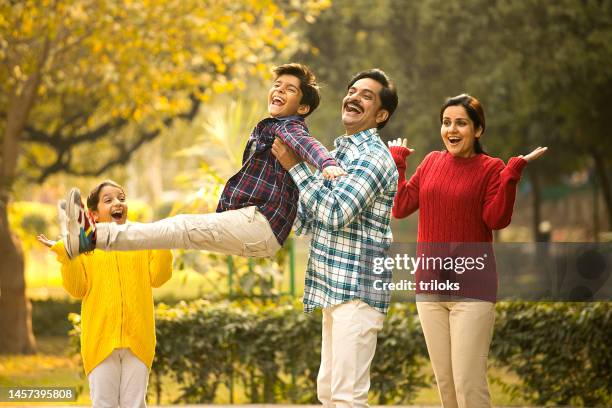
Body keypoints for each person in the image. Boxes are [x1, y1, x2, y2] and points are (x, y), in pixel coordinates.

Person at [61, 63, 346, 259]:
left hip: (261, 226)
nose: (279, 91)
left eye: (290, 89)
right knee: (183, 231)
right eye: (277, 85)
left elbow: (308, 145)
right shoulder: (271, 127)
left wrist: (327, 163)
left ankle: (92, 237)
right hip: (256, 227)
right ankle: (89, 237)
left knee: (182, 227)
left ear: (303, 107)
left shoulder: (289, 128)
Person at [388, 94, 547, 408]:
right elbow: (401, 206)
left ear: (477, 130)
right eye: (446, 122)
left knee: (468, 386)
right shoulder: (432, 161)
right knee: (446, 386)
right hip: (430, 288)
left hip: (472, 290)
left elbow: (496, 219)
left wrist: (512, 175)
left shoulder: (491, 168)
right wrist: (399, 163)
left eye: (461, 122)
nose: (451, 129)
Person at [272, 68, 399, 408]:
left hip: (357, 291)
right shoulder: (339, 153)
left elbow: (336, 212)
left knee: (346, 398)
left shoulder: (372, 157)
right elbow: (312, 219)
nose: (354, 97)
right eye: (352, 90)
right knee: (329, 392)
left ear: (381, 115)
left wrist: (296, 168)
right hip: (335, 290)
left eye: (367, 96)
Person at [37, 180, 173, 408]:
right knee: (103, 404)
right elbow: (77, 289)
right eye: (108, 200)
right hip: (100, 341)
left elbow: (158, 278)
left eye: (121, 198)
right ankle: (80, 228)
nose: (118, 203)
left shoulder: (141, 238)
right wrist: (68, 255)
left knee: (135, 404)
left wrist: (161, 241)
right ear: (95, 214)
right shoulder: (88, 251)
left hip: (138, 340)